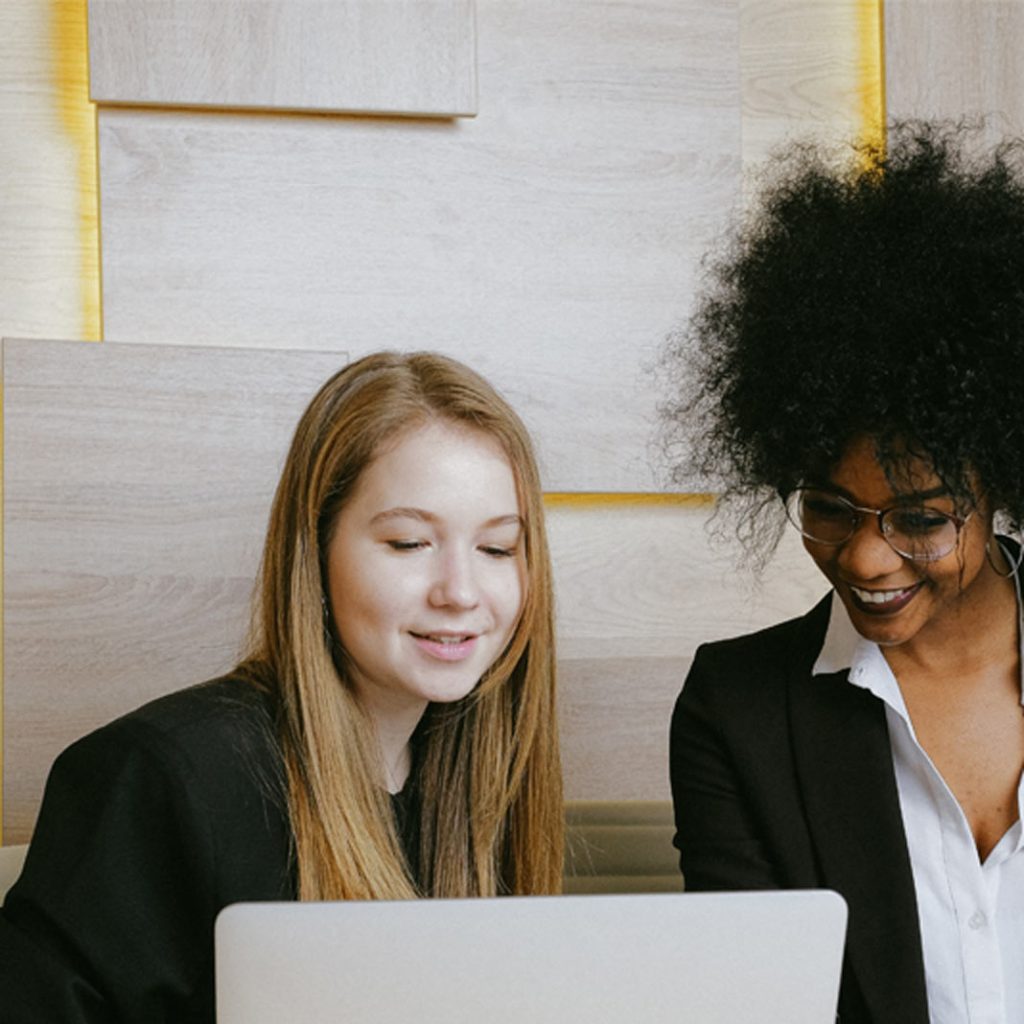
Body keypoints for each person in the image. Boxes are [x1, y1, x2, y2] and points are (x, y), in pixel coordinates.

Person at [0, 350, 563, 1023]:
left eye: (497, 549)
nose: (461, 592)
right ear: (314, 550)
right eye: (409, 543)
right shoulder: (157, 775)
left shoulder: (478, 769)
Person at [661, 122, 1024, 1024]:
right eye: (828, 507)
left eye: (921, 518)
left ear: (1003, 480)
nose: (863, 559)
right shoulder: (737, 712)